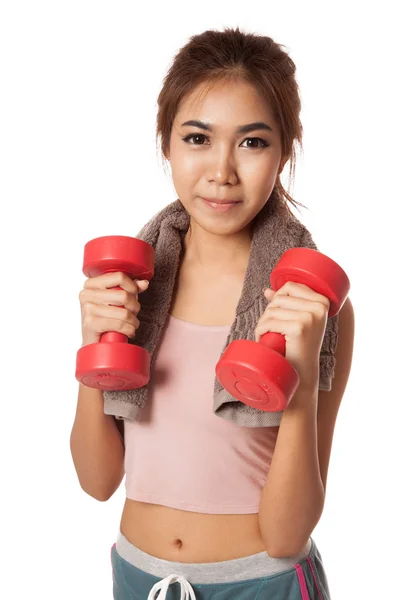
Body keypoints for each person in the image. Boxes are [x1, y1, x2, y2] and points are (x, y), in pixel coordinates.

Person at [70, 26, 354, 600]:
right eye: (198, 138)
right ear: (166, 143)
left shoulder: (311, 309)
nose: (222, 170)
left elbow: (287, 532)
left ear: (284, 150)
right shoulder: (129, 288)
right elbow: (97, 481)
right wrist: (93, 346)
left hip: (259, 584)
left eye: (252, 142)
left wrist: (297, 383)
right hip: (136, 576)